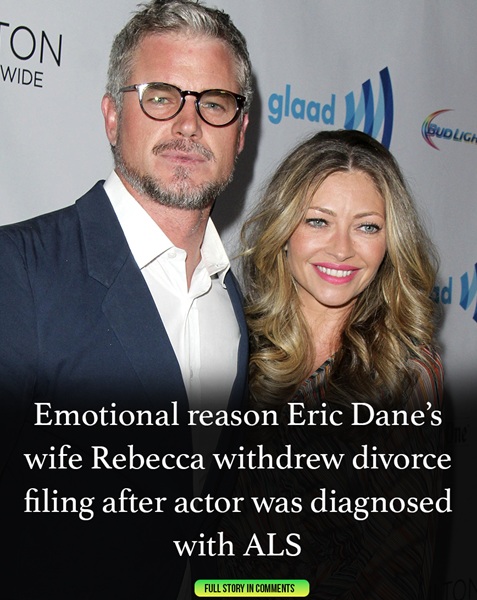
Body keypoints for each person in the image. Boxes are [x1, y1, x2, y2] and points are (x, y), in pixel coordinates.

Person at [0, 1, 252, 597]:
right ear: (113, 117)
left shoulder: (233, 303)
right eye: (161, 97)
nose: (188, 125)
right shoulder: (20, 271)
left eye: (215, 103)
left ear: (241, 134)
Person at [219, 130, 444, 598]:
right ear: (284, 230)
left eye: (367, 227)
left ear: (390, 243)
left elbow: (397, 565)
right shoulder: (232, 339)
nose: (342, 249)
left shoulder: (406, 374)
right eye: (318, 221)